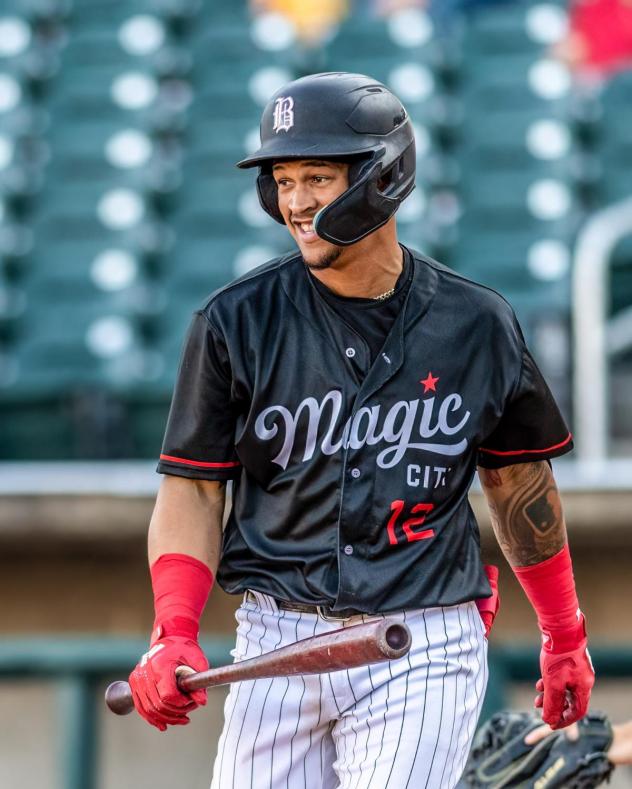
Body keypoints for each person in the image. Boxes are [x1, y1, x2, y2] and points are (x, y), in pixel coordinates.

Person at [128, 72, 594, 788]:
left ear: (383, 175)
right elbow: (192, 490)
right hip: (274, 639)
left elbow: (520, 485)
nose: (297, 200)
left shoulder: (476, 323)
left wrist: (564, 633)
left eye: (318, 174)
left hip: (420, 636)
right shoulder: (234, 321)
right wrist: (173, 627)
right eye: (283, 178)